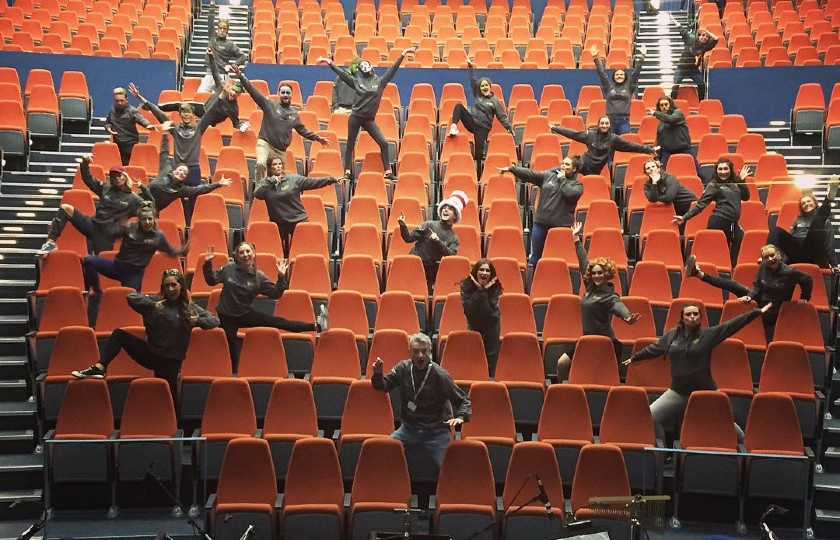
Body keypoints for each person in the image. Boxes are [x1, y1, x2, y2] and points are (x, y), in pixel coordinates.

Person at [623, 301, 773, 442]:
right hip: (678, 392)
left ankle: (745, 446)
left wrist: (755, 312)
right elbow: (655, 348)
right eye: (688, 314)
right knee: (650, 416)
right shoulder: (672, 335)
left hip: (706, 390)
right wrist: (636, 357)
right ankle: (663, 452)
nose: (693, 317)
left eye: (696, 314)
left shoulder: (708, 335)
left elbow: (731, 325)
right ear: (682, 318)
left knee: (727, 422)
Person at [71, 268, 220, 397]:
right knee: (119, 334)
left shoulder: (190, 309)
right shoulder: (156, 303)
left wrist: (198, 322)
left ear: (181, 286)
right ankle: (100, 368)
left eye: (174, 285)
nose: (170, 289)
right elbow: (131, 297)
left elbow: (214, 321)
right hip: (150, 353)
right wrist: (153, 305)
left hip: (171, 363)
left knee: (168, 399)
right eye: (166, 285)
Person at [203, 241, 329, 369]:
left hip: (244, 314)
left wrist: (281, 277)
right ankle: (233, 378)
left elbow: (275, 294)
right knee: (230, 349)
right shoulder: (228, 269)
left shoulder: (259, 277)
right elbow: (211, 280)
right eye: (241, 252)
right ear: (237, 256)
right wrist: (207, 263)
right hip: (226, 316)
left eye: (248, 251)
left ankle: (317, 326)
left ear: (253, 254)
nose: (245, 255)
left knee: (278, 321)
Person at [371, 333, 471, 467]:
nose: (420, 355)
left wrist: (461, 416)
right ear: (410, 352)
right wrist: (377, 374)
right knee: (385, 455)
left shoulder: (439, 375)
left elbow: (463, 400)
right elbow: (383, 385)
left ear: (430, 352)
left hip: (436, 431)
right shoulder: (403, 368)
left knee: (450, 469)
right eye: (416, 351)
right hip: (409, 429)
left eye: (424, 351)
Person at [556, 222, 641, 380]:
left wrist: (628, 317)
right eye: (594, 273)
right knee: (562, 363)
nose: (596, 276)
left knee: (602, 376)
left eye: (600, 273)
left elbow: (619, 307)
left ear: (607, 274)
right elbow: (583, 263)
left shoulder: (610, 296)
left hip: (606, 343)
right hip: (587, 340)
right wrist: (575, 239)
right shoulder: (590, 288)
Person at [83, 201, 190, 324]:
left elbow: (169, 250)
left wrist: (182, 250)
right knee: (89, 260)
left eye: (150, 219)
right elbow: (111, 235)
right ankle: (97, 293)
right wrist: (119, 228)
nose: (147, 222)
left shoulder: (158, 236)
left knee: (133, 302)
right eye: (144, 219)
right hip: (117, 266)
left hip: (134, 274)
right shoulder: (131, 227)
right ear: (140, 220)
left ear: (154, 219)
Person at [318, 48, 416, 181]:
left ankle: (387, 171)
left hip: (369, 120)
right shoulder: (356, 81)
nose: (364, 66)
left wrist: (403, 54)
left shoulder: (380, 82)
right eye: (362, 65)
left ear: (371, 67)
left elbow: (392, 70)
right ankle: (347, 172)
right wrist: (329, 62)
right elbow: (342, 74)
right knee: (350, 144)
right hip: (355, 117)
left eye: (367, 64)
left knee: (384, 143)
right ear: (360, 69)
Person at [683, 245, 812, 341]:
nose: (770, 259)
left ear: (778, 254)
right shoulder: (764, 268)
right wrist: (749, 297)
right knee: (733, 285)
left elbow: (807, 279)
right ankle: (697, 273)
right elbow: (757, 288)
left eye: (773, 255)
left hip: (772, 311)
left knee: (740, 317)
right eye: (766, 257)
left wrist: (804, 297)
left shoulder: (789, 272)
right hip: (759, 300)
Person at [36, 155, 152, 256]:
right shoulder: (105, 188)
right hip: (92, 224)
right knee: (66, 208)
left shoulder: (133, 198)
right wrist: (84, 163)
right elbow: (88, 179)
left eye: (119, 175)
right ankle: (50, 243)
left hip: (106, 234)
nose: (116, 178)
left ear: (125, 176)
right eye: (113, 176)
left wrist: (129, 226)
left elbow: (150, 210)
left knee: (101, 263)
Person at [231, 64, 330, 181]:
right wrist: (240, 76)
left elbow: (303, 130)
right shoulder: (269, 105)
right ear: (279, 94)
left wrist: (317, 138)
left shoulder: (294, 114)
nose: (285, 95)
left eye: (287, 93)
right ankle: (259, 188)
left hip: (280, 151)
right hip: (265, 144)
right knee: (261, 164)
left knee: (278, 181)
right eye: (283, 92)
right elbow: (253, 91)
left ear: (292, 95)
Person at [129, 82, 220, 189]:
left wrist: (222, 93)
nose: (186, 114)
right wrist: (140, 98)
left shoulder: (199, 127)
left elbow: (211, 111)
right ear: (180, 114)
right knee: (175, 195)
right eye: (183, 112)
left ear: (193, 114)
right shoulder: (175, 128)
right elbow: (158, 112)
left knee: (193, 197)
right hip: (178, 168)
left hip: (194, 168)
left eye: (189, 112)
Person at [498, 155, 583, 267]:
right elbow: (530, 174)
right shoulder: (548, 176)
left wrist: (562, 179)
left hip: (560, 228)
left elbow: (570, 194)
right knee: (535, 258)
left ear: (574, 169)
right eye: (562, 163)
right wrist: (512, 169)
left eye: (567, 164)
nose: (563, 166)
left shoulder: (577, 186)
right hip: (541, 225)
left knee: (556, 261)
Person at [252, 156, 339, 256]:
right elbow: (257, 194)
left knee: (303, 252)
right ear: (269, 168)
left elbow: (314, 182)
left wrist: (330, 179)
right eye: (275, 165)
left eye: (280, 164)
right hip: (278, 223)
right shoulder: (266, 183)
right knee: (275, 254)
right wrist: (271, 181)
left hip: (298, 220)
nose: (278, 166)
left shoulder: (293, 179)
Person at [672, 157, 751, 266]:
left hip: (733, 223)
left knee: (741, 241)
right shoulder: (713, 185)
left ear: (730, 170)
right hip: (718, 221)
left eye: (725, 169)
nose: (723, 172)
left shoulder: (736, 182)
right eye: (720, 169)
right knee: (720, 250)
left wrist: (742, 181)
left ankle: (732, 268)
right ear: (716, 170)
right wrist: (685, 217)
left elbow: (746, 197)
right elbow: (700, 204)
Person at [447, 58, 515, 169]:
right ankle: (454, 127)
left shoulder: (494, 101)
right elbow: (473, 81)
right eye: (482, 86)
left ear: (490, 86)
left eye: (486, 85)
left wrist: (508, 127)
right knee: (458, 107)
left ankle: (479, 176)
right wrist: (471, 67)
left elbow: (501, 115)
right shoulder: (478, 94)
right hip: (472, 122)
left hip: (483, 128)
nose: (484, 87)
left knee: (479, 154)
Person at [399, 190, 467, 290]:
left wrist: (438, 241)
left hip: (431, 272)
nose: (446, 210)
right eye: (444, 208)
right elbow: (408, 238)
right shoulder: (429, 224)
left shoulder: (454, 237)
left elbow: (451, 256)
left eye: (450, 209)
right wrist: (403, 226)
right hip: (414, 265)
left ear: (455, 215)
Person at [146, 135, 233, 213]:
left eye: (184, 173)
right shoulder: (166, 169)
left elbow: (201, 189)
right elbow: (164, 153)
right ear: (174, 170)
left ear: (185, 179)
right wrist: (165, 134)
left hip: (152, 210)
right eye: (180, 170)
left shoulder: (181, 190)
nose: (181, 173)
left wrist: (218, 184)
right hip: (140, 199)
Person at [768, 177, 839, 269]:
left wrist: (833, 264)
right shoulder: (798, 220)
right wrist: (784, 262)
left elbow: (830, 243)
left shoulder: (824, 222)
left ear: (815, 203)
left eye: (809, 201)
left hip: (813, 250)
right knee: (776, 230)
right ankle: (767, 256)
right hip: (797, 251)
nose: (806, 204)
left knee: (818, 221)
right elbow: (790, 238)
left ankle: (828, 199)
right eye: (803, 203)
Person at [550, 115, 656, 175]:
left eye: (606, 123)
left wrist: (649, 149)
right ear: (598, 125)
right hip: (584, 161)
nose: (604, 125)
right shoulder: (590, 135)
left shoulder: (614, 139)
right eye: (602, 123)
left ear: (609, 125)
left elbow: (631, 146)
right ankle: (546, 174)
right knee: (567, 168)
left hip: (595, 170)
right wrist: (556, 128)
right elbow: (573, 134)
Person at [592, 43, 647, 135]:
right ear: (614, 77)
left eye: (621, 74)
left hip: (624, 121)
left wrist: (642, 57)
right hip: (610, 121)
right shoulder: (609, 87)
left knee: (624, 145)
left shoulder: (629, 87)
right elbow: (601, 74)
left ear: (625, 76)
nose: (619, 76)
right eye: (617, 74)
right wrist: (595, 58)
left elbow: (636, 74)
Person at [460, 258, 502, 375]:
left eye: (487, 271)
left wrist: (483, 291)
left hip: (492, 322)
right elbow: (469, 310)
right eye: (481, 270)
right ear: (475, 272)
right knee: (472, 352)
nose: (484, 273)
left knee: (491, 356)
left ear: (491, 274)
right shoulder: (466, 285)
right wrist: (480, 291)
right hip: (473, 321)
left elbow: (489, 312)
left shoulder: (495, 286)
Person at [648, 95, 704, 179]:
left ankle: (705, 187)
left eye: (666, 104)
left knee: (697, 171)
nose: (664, 107)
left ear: (670, 104)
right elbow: (660, 141)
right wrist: (657, 157)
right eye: (661, 105)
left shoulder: (678, 113)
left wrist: (656, 113)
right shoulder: (661, 123)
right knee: (661, 172)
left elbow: (671, 119)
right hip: (668, 150)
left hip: (683, 148)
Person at [198, 0, 248, 93]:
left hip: (223, 75)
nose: (222, 30)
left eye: (224, 28)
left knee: (225, 100)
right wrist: (212, 4)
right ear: (217, 28)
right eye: (220, 28)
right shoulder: (212, 36)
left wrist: (233, 65)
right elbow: (210, 19)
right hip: (210, 75)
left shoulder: (230, 44)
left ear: (227, 30)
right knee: (200, 96)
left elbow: (243, 57)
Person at [670, 14, 719, 100]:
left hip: (693, 70)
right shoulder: (690, 40)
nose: (704, 38)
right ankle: (672, 101)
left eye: (706, 37)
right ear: (699, 36)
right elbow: (681, 29)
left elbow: (716, 39)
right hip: (682, 68)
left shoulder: (706, 46)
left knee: (701, 84)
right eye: (703, 36)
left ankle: (701, 102)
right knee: (675, 84)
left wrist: (707, 32)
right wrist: (673, 19)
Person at [105, 86, 156, 166]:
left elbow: (141, 119)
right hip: (117, 145)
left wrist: (148, 125)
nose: (119, 103)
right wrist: (108, 128)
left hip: (131, 145)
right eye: (117, 101)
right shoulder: (112, 110)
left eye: (122, 100)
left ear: (127, 99)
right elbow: (107, 122)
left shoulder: (132, 111)